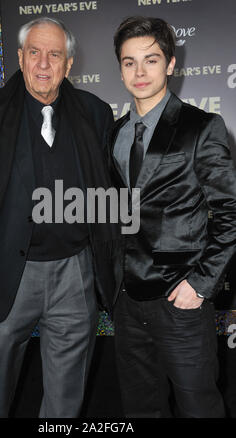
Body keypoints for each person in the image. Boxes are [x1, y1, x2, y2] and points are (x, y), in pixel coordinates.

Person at [0, 17, 120, 418]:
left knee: (66, 399)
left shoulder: (95, 113)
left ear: (69, 64)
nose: (44, 63)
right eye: (35, 53)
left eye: (54, 54)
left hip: (75, 273)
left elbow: (107, 193)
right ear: (21, 57)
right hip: (5, 274)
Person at [108, 16, 236, 417]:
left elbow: (231, 214)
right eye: (129, 62)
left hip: (180, 300)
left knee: (199, 407)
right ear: (120, 68)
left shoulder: (202, 127)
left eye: (150, 60)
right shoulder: (112, 133)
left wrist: (199, 285)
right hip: (126, 303)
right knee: (140, 407)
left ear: (170, 64)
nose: (139, 72)